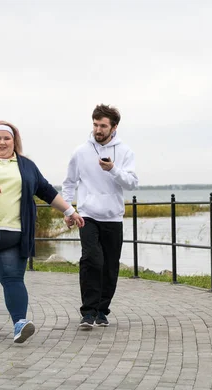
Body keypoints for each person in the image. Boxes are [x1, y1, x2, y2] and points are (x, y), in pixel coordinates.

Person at [0, 120, 84, 342]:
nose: (2, 142)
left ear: (15, 141)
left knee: (13, 278)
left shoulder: (26, 165)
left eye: (7, 138)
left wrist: (70, 210)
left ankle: (20, 324)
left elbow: (46, 190)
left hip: (13, 235)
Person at [62, 104, 139, 328]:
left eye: (103, 126)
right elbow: (69, 183)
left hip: (113, 216)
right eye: (95, 124)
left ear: (114, 127)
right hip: (87, 215)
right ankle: (88, 312)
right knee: (91, 260)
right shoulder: (80, 152)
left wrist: (113, 169)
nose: (98, 129)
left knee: (110, 266)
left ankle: (102, 311)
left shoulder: (125, 151)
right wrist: (68, 210)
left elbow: (133, 183)